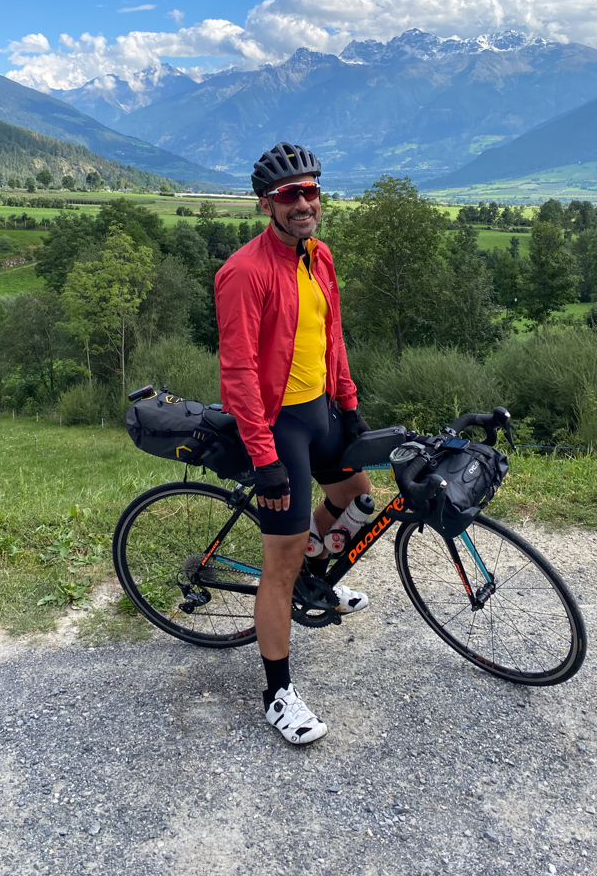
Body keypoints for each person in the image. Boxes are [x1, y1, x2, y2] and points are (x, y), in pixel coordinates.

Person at [214, 142, 372, 745]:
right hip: (277, 425)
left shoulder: (319, 255)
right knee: (277, 565)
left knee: (359, 497)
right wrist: (265, 458)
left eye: (311, 191)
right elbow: (239, 374)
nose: (303, 203)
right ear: (266, 205)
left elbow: (333, 337)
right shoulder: (244, 272)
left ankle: (317, 574)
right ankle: (277, 693)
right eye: (289, 195)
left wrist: (349, 406)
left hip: (320, 410)